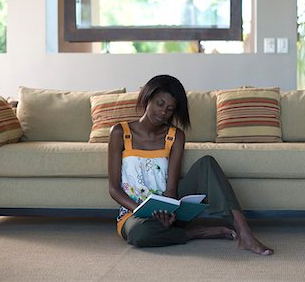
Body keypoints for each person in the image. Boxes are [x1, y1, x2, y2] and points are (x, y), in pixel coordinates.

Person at [108, 75, 273, 255]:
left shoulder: (175, 136)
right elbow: (114, 188)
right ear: (148, 98)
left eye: (170, 109)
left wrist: (167, 210)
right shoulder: (120, 132)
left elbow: (171, 188)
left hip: (168, 212)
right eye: (159, 104)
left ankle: (245, 234)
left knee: (207, 164)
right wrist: (143, 211)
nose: (163, 112)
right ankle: (195, 233)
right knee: (140, 235)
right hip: (134, 214)